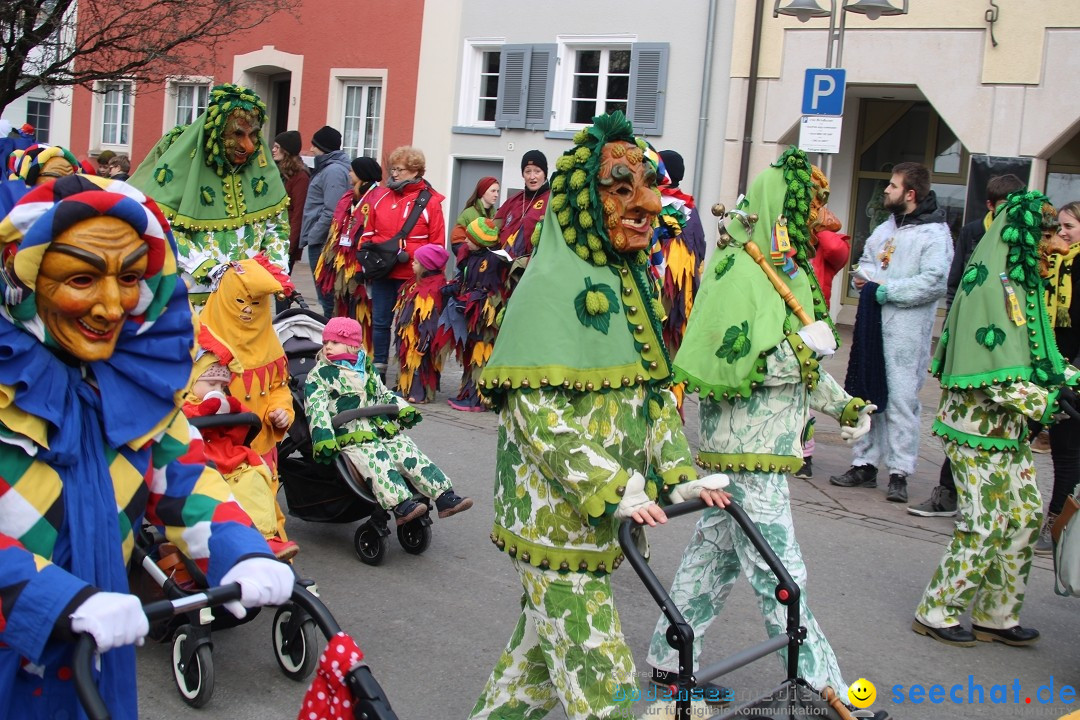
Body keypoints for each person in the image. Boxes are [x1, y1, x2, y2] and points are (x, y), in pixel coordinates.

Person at [0, 174, 293, 719]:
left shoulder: (134, 386)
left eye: (130, 277)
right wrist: (52, 599)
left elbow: (184, 481)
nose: (113, 307)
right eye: (83, 278)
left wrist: (243, 550)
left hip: (95, 658)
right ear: (29, 279)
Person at [468, 112, 731, 720]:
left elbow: (651, 398)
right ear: (587, 203)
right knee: (600, 671)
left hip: (602, 520)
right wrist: (613, 489)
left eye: (647, 186)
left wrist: (679, 475)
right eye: (621, 190)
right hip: (551, 521)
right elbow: (536, 416)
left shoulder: (629, 284)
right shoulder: (545, 288)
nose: (646, 204)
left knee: (531, 665)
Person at [647, 147, 876, 708]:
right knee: (781, 567)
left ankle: (668, 660)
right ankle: (823, 685)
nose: (816, 216)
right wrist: (804, 346)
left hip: (766, 447)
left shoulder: (783, 269)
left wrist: (842, 405)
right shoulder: (738, 271)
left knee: (714, 557)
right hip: (745, 453)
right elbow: (728, 363)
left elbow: (801, 368)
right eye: (809, 205)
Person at [912, 192, 1075, 648]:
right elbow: (989, 376)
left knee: (1023, 517)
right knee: (984, 522)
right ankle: (936, 610)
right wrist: (1047, 402)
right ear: (1020, 236)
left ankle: (996, 616)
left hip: (1010, 430)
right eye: (1046, 236)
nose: (1055, 245)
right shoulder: (987, 289)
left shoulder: (1026, 286)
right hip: (974, 429)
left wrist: (1070, 382)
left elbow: (1042, 359)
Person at [830, 161, 953, 503]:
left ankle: (899, 471)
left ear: (910, 194)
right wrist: (864, 276)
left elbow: (933, 282)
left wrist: (886, 290)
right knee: (869, 393)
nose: (886, 189)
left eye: (893, 185)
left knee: (900, 401)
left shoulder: (934, 234)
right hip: (873, 325)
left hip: (906, 333)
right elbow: (868, 262)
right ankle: (864, 463)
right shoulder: (886, 229)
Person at [908, 173, 1026, 517]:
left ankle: (996, 503)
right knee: (964, 425)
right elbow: (957, 277)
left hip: (1005, 356)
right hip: (974, 347)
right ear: (990, 206)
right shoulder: (975, 232)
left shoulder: (1023, 250)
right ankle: (950, 494)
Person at [127, 83, 291, 303]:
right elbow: (161, 228)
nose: (249, 146)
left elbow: (277, 228)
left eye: (253, 135)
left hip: (251, 297)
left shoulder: (263, 174)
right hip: (197, 298)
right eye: (238, 134)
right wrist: (209, 269)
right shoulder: (184, 171)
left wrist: (275, 269)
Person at [305, 316, 472, 525]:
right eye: (325, 342)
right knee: (376, 459)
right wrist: (323, 436)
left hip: (380, 428)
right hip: (351, 433)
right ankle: (400, 504)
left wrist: (402, 408)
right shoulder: (320, 374)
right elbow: (316, 407)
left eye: (335, 342)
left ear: (352, 345)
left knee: (407, 450)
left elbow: (383, 394)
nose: (328, 347)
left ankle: (444, 495)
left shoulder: (366, 368)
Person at [197, 256, 295, 543]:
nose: (249, 312)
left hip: (259, 446)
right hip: (214, 450)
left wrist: (280, 410)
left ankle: (272, 559)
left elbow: (279, 386)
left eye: (256, 304)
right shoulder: (201, 343)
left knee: (264, 507)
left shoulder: (270, 342)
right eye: (241, 302)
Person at [182, 354, 299, 560]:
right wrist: (205, 410)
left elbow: (243, 430)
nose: (217, 391)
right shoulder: (181, 404)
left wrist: (231, 409)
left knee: (255, 480)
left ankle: (266, 537)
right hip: (198, 465)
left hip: (230, 461)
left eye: (222, 386)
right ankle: (245, 542)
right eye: (211, 384)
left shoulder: (224, 402)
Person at [358, 146, 445, 382]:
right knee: (380, 321)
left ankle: (408, 375)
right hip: (382, 271)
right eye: (392, 169)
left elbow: (437, 244)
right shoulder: (381, 198)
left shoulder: (431, 202)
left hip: (412, 274)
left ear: (415, 170)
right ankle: (379, 369)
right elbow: (368, 233)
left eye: (400, 169)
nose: (394, 174)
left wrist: (429, 274)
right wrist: (366, 257)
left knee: (407, 325)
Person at [794, 175, 851, 481]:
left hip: (814, 326)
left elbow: (836, 250)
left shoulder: (825, 242)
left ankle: (806, 452)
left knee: (808, 388)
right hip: (788, 322)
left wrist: (819, 224)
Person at [1033, 200, 1080, 553]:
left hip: (1073, 372)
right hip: (1042, 365)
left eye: (1069, 227)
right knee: (1021, 432)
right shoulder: (1051, 264)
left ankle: (1056, 522)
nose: (1061, 234)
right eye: (1058, 228)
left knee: (1066, 450)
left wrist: (1073, 372)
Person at [438, 216, 509, 412]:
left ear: (480, 240)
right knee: (470, 351)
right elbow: (465, 278)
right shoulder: (472, 256)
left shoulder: (495, 259)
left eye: (469, 238)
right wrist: (454, 288)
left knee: (481, 352)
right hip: (470, 312)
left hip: (484, 316)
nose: (465, 241)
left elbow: (492, 288)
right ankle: (467, 392)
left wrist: (471, 299)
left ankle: (478, 399)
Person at [315, 155, 382, 340]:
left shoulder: (378, 198)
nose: (349, 173)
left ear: (362, 174)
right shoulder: (348, 197)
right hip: (343, 260)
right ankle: (342, 340)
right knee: (343, 301)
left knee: (362, 305)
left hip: (361, 260)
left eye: (352, 170)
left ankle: (361, 345)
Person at [655, 149, 706, 359]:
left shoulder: (659, 205)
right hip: (681, 293)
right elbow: (701, 246)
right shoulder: (690, 209)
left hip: (663, 289)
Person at [299, 126, 350, 317]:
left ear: (323, 147)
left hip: (323, 242)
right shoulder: (328, 168)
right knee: (326, 297)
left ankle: (333, 339)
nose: (311, 149)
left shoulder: (333, 171)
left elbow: (332, 210)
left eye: (314, 145)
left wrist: (313, 236)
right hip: (320, 239)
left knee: (327, 297)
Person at [394, 243, 450, 404]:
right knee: (408, 362)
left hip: (422, 338)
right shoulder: (417, 282)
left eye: (416, 262)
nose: (412, 264)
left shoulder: (432, 289)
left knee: (421, 366)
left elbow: (430, 320)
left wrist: (425, 342)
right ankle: (405, 388)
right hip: (410, 335)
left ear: (427, 267)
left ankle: (420, 394)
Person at [493, 150, 549, 288]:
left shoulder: (552, 201)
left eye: (537, 171)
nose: (532, 177)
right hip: (503, 272)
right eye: (527, 171)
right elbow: (492, 229)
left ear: (545, 173)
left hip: (530, 274)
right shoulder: (513, 200)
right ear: (522, 174)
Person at [271, 131, 310, 273]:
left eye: (277, 147)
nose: (273, 150)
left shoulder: (300, 177)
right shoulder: (277, 172)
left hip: (285, 238)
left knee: (280, 286)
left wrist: (289, 245)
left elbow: (298, 213)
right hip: (272, 234)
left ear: (286, 150)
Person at [450, 176, 499, 263]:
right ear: (482, 192)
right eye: (493, 191)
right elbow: (457, 241)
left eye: (497, 191)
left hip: (486, 266)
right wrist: (468, 262)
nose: (496, 195)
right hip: (470, 265)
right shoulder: (468, 214)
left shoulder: (496, 215)